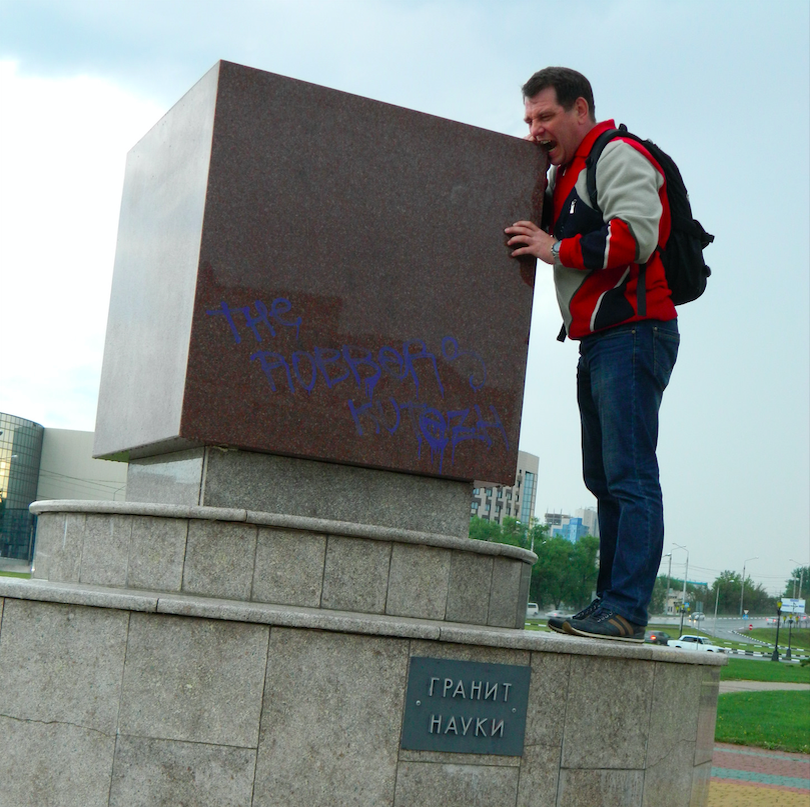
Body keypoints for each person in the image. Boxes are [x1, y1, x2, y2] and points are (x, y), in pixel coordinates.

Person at [505, 67, 679, 643]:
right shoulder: (566, 172)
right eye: (529, 119)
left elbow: (635, 237)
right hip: (602, 342)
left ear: (581, 109)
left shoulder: (617, 154)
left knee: (630, 476)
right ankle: (607, 605)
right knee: (603, 479)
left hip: (634, 334)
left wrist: (553, 247)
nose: (535, 130)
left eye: (546, 117)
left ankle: (627, 608)